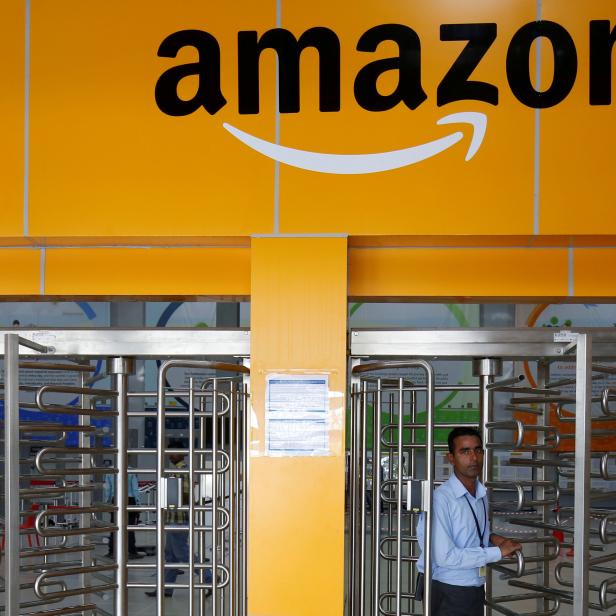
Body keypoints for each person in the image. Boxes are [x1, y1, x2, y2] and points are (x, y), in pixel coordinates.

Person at [416, 427, 522, 616]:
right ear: (451, 458)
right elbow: (445, 557)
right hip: (449, 591)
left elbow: (474, 534)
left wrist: (495, 539)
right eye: (465, 451)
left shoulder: (480, 494)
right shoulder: (441, 499)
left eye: (478, 450)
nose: (473, 458)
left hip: (474, 588)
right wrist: (497, 552)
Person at [104, 467, 143, 559]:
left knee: (114, 527)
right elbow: (135, 489)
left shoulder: (110, 471)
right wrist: (138, 503)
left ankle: (112, 552)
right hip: (129, 499)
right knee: (129, 527)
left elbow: (108, 489)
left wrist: (108, 503)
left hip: (116, 499)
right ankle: (131, 551)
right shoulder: (131, 470)